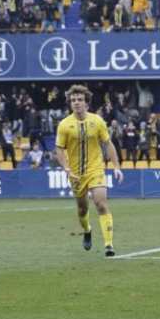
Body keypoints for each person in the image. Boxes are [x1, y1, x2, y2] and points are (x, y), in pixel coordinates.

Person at [54, 85, 123, 257]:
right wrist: (67, 168)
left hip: (95, 168)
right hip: (76, 173)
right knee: (82, 209)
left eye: (80, 100)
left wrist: (116, 166)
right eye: (73, 100)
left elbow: (108, 144)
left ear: (86, 103)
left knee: (100, 202)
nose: (76, 103)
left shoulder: (97, 121)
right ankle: (87, 230)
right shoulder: (64, 125)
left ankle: (109, 244)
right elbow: (59, 150)